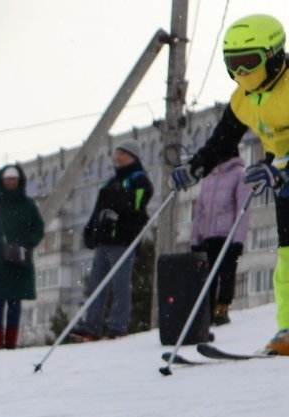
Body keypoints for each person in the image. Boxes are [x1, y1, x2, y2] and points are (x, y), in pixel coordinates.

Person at [172, 13, 289, 354]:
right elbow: (222, 142)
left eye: (248, 62)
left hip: (281, 170)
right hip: (281, 176)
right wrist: (195, 167)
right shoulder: (243, 98)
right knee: (287, 257)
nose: (241, 73)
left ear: (275, 54)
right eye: (232, 64)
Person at [71, 141, 154, 341]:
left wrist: (121, 215)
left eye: (122, 154)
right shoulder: (110, 182)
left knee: (121, 284)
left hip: (123, 241)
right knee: (96, 284)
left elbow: (138, 207)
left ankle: (118, 326)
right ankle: (92, 326)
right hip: (105, 240)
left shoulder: (139, 179)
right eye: (116, 153)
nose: (117, 157)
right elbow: (98, 209)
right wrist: (90, 231)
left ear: (133, 156)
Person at [0, 163, 46, 349]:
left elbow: (38, 228)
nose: (11, 183)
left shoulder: (27, 205)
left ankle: (10, 344)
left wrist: (26, 244)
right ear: (1, 181)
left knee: (15, 303)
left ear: (19, 181)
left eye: (14, 179)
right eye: (7, 179)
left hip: (18, 263)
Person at [189, 154, 251, 327]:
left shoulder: (239, 174)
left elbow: (243, 209)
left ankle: (222, 308)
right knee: (208, 276)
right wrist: (195, 238)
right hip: (208, 235)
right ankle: (206, 312)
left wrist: (238, 239)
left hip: (227, 235)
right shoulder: (210, 176)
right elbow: (199, 210)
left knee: (227, 273)